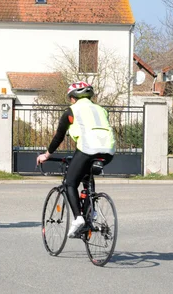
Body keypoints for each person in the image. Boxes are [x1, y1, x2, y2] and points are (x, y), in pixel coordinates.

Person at [36, 81, 115, 238]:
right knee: (87, 176)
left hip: (87, 148)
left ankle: (78, 219)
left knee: (70, 183)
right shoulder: (101, 110)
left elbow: (59, 136)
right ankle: (90, 213)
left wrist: (46, 154)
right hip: (109, 151)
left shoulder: (72, 111)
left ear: (72, 98)